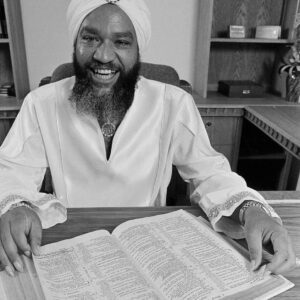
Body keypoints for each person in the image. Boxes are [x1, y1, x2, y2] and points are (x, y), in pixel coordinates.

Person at [0, 0, 296, 278]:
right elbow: (11, 171)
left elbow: (209, 172)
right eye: (90, 39)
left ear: (137, 49)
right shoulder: (41, 102)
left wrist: (252, 209)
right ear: (75, 43)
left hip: (148, 246)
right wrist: (15, 207)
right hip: (69, 244)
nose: (103, 55)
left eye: (121, 42)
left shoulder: (173, 102)